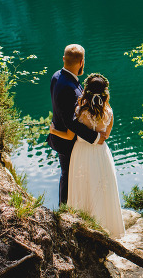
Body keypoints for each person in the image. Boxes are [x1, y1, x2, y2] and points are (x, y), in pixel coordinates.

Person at [50, 73, 126, 238]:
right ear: (105, 92)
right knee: (102, 188)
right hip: (101, 154)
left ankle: (82, 228)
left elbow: (70, 136)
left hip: (81, 153)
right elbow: (104, 137)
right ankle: (106, 228)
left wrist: (53, 130)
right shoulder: (108, 111)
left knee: (83, 187)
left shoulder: (79, 111)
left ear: (86, 90)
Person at [47, 44, 106, 204]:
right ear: (82, 62)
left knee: (69, 175)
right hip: (67, 141)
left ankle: (70, 209)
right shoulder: (68, 87)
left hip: (61, 136)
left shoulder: (57, 76)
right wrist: (95, 137)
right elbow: (71, 121)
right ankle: (64, 211)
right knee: (68, 175)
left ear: (64, 59)